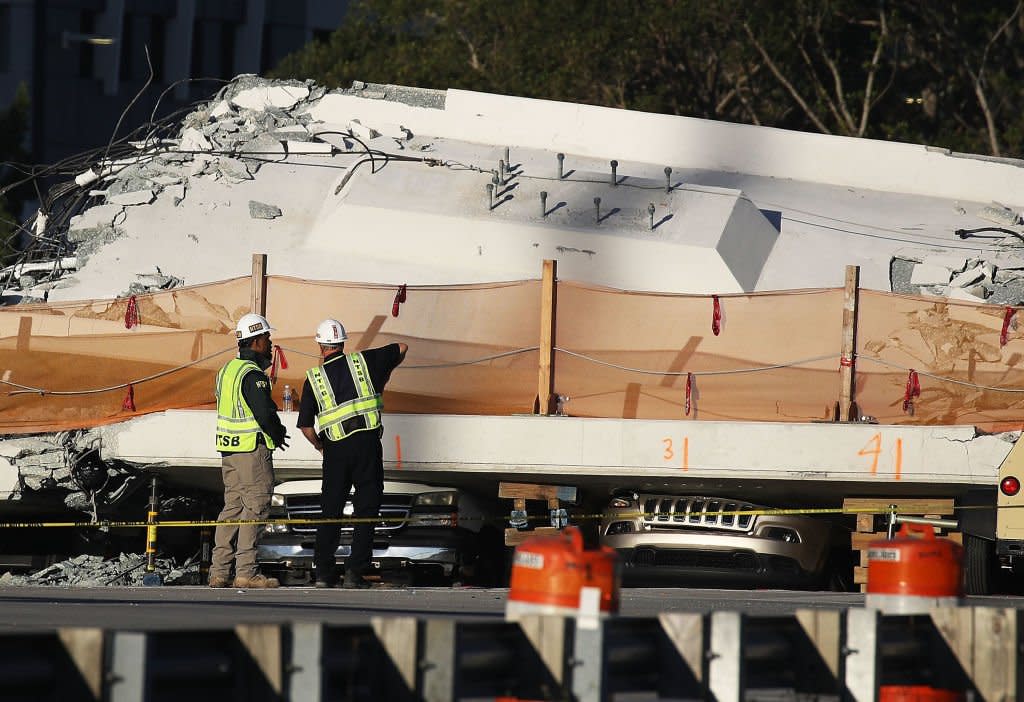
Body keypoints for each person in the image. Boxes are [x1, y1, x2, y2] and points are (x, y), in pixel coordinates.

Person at [297, 318, 407, 589]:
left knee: (330, 510)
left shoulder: (314, 379)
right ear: (343, 342)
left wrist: (320, 446)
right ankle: (355, 573)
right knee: (366, 509)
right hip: (367, 446)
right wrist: (385, 374)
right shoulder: (364, 362)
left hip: (334, 450)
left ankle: (323, 573)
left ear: (321, 346)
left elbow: (306, 426)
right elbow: (402, 347)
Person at [209, 312, 290, 588]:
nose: (270, 342)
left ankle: (218, 571)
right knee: (255, 506)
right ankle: (246, 571)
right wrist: (277, 433)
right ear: (256, 341)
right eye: (267, 337)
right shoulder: (252, 374)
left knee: (232, 508)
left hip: (229, 452)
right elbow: (264, 413)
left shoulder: (226, 371)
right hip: (250, 451)